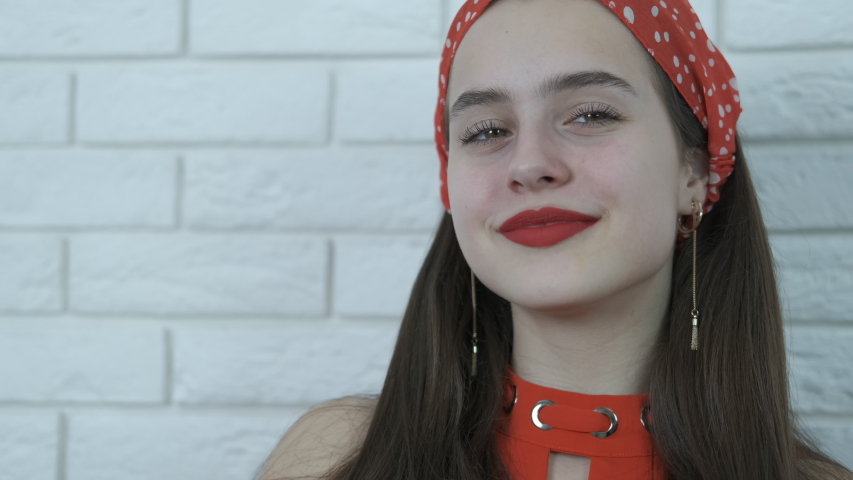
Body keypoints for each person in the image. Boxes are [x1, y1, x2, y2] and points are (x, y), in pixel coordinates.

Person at [258, 0, 853, 479]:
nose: (530, 163)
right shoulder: (332, 458)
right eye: (487, 130)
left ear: (693, 174)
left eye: (591, 115)